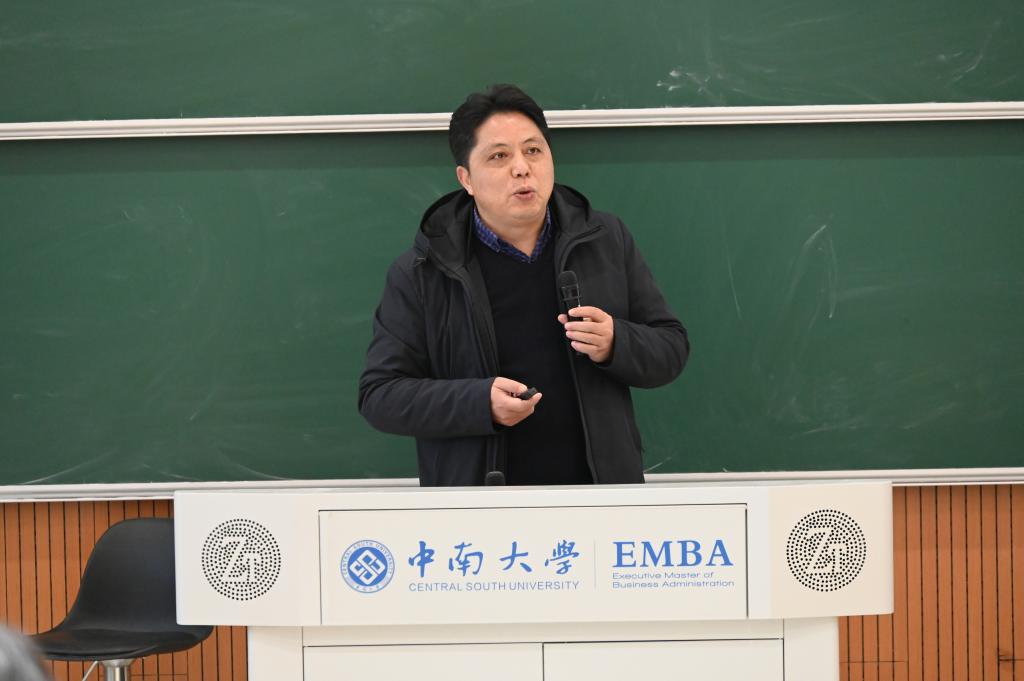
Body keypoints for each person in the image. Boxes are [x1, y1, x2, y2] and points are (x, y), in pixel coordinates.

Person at [358, 84, 688, 486]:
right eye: (499, 156)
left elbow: (671, 348)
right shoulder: (423, 271)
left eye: (533, 150)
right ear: (466, 179)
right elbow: (380, 396)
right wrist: (478, 403)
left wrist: (616, 342)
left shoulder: (604, 240)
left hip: (600, 499)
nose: (521, 168)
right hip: (479, 508)